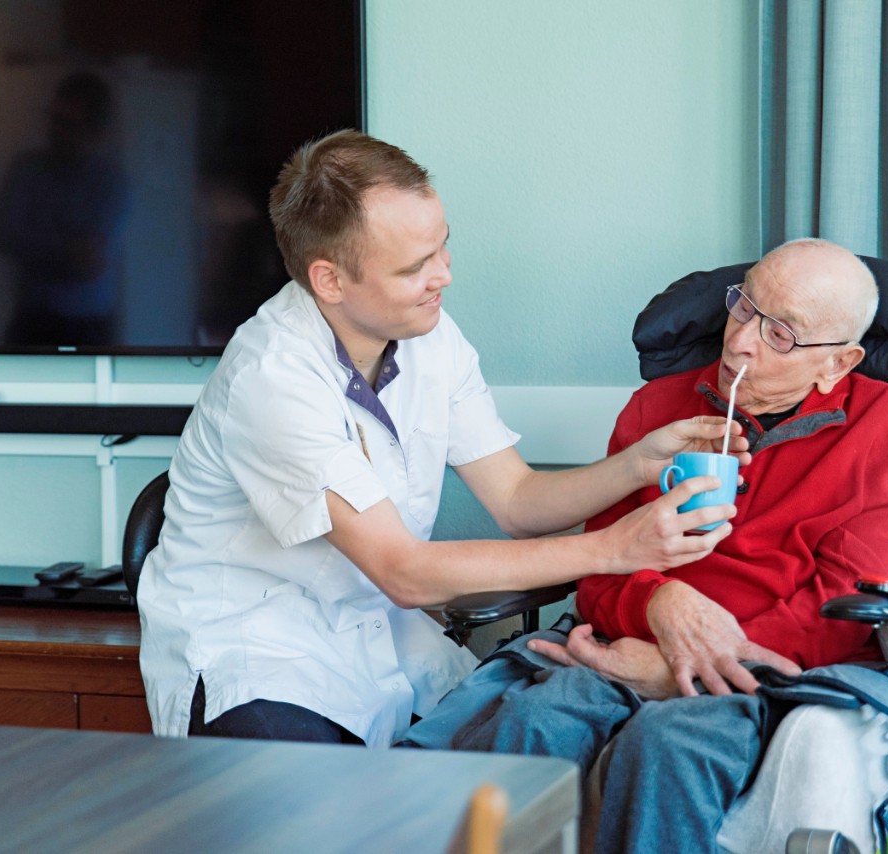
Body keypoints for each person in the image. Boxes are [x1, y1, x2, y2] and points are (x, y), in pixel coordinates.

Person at [136, 130, 751, 748]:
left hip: (384, 637)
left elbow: (516, 500)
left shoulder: (430, 333)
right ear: (329, 280)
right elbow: (402, 572)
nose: (444, 276)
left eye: (442, 248)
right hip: (261, 652)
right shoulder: (272, 377)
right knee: (331, 813)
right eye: (414, 267)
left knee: (513, 763)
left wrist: (635, 465)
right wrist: (616, 549)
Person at [408, 238, 888, 853]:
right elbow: (601, 565)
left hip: (757, 669)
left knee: (668, 747)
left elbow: (842, 604)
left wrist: (695, 665)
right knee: (532, 719)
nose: (740, 341)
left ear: (838, 363)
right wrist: (659, 607)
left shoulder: (881, 426)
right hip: (626, 639)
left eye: (782, 335)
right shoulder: (657, 408)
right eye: (744, 308)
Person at [0, 71, 128, 346]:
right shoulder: (25, 168)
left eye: (68, 124)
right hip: (32, 321)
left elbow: (89, 264)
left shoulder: (112, 180)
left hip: (90, 327)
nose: (55, 130)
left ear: (95, 131)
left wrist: (35, 244)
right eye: (53, 118)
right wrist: (67, 250)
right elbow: (4, 235)